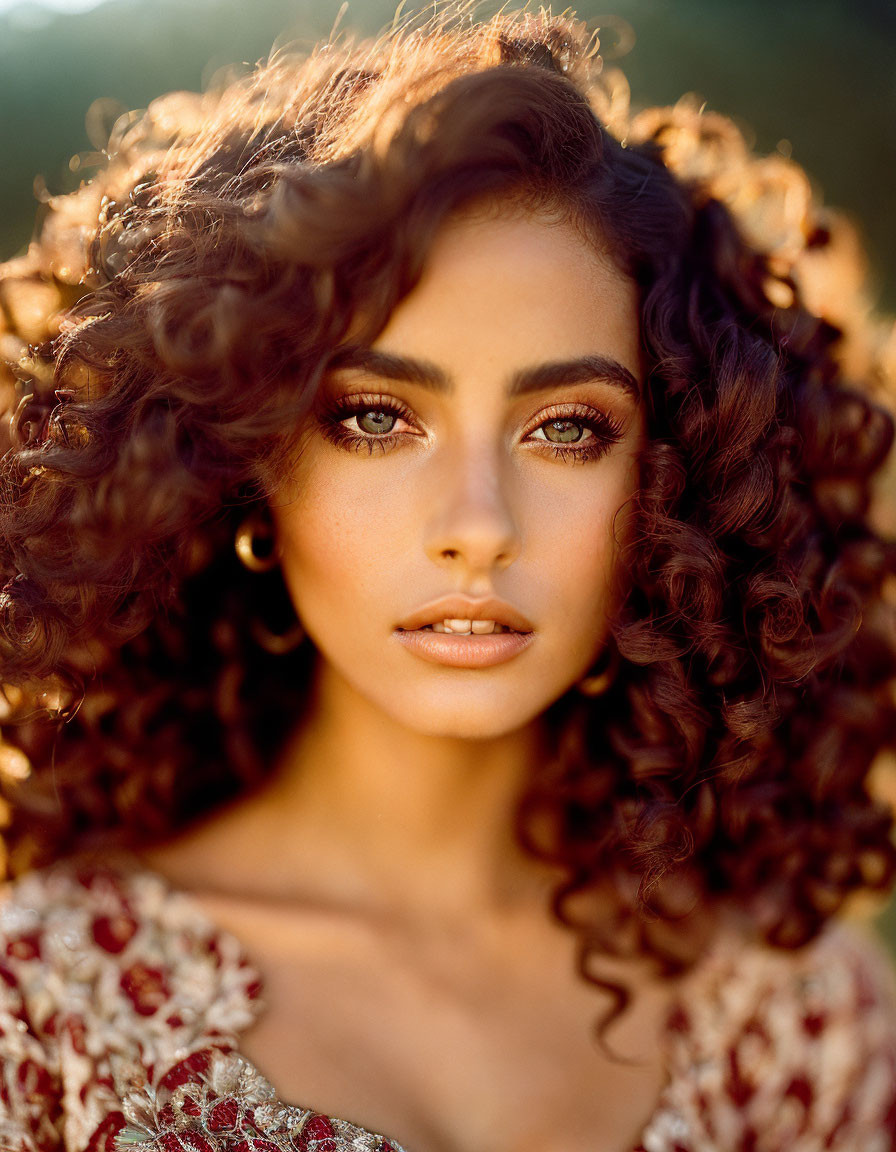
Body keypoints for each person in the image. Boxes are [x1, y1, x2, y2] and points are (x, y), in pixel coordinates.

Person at [0, 5, 894, 1150]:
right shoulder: (42, 1015)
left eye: (566, 429)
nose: (477, 527)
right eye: (376, 418)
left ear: (676, 488)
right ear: (245, 460)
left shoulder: (786, 1010)